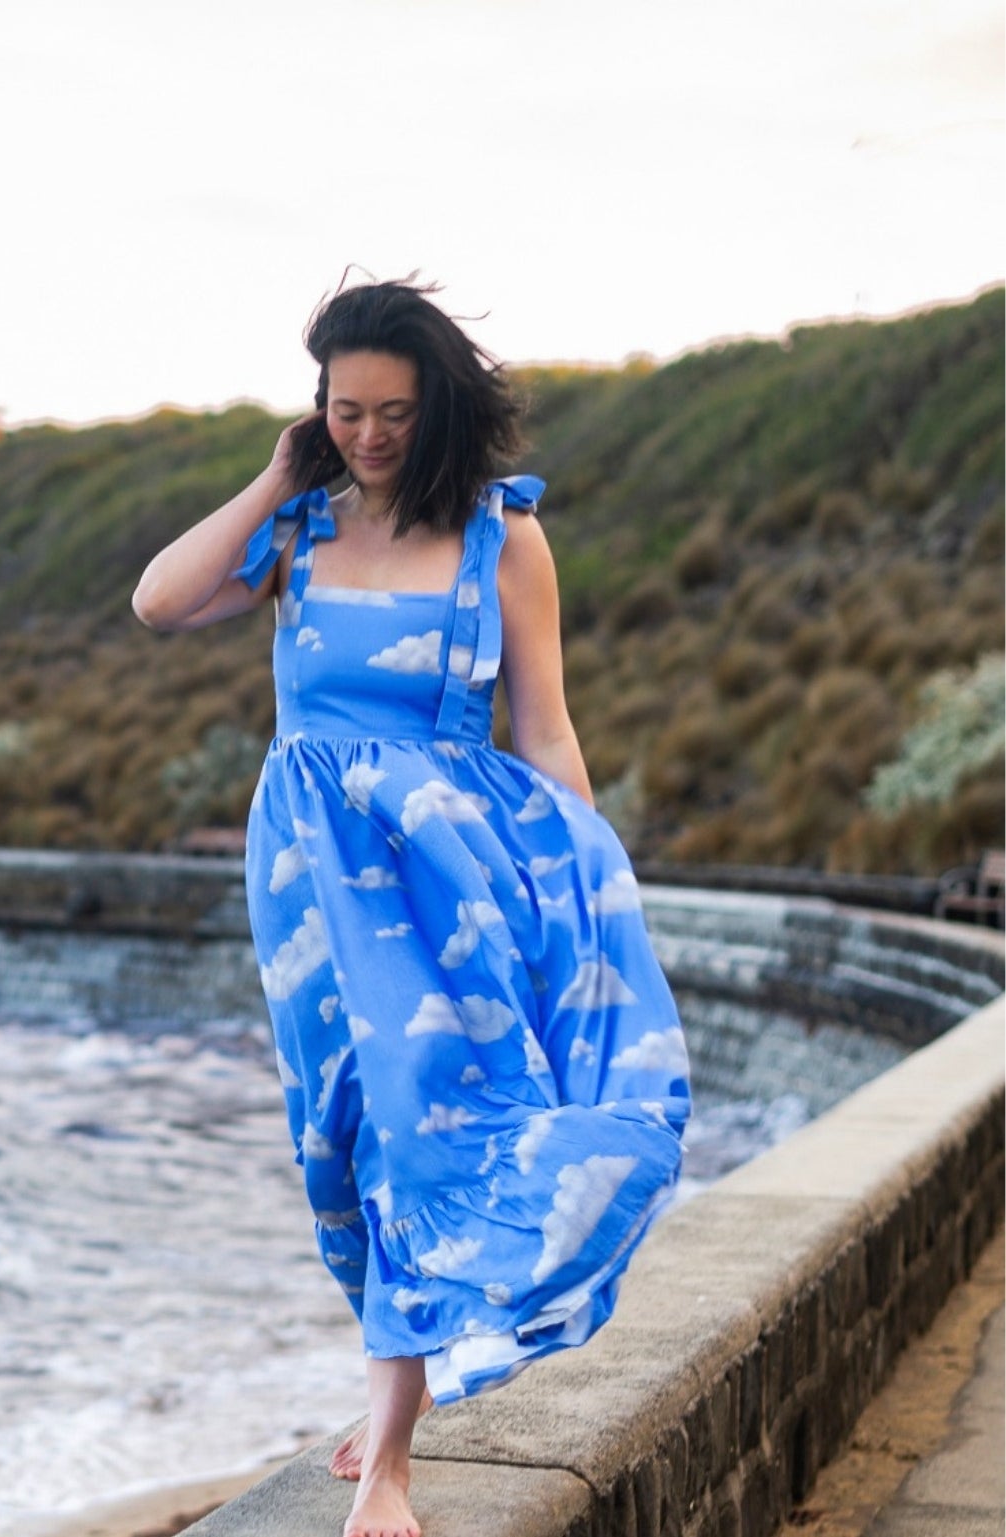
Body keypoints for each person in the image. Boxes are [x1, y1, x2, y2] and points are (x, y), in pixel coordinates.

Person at [132, 279, 690, 1537]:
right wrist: (277, 478)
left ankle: (387, 1456)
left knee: (419, 1125)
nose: (370, 435)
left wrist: (588, 890)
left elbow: (544, 727)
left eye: (393, 411)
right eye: (345, 411)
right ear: (316, 411)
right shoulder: (298, 531)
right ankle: (396, 1372)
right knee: (338, 1131)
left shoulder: (505, 538)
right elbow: (159, 602)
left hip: (456, 874)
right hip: (310, 879)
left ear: (437, 406)